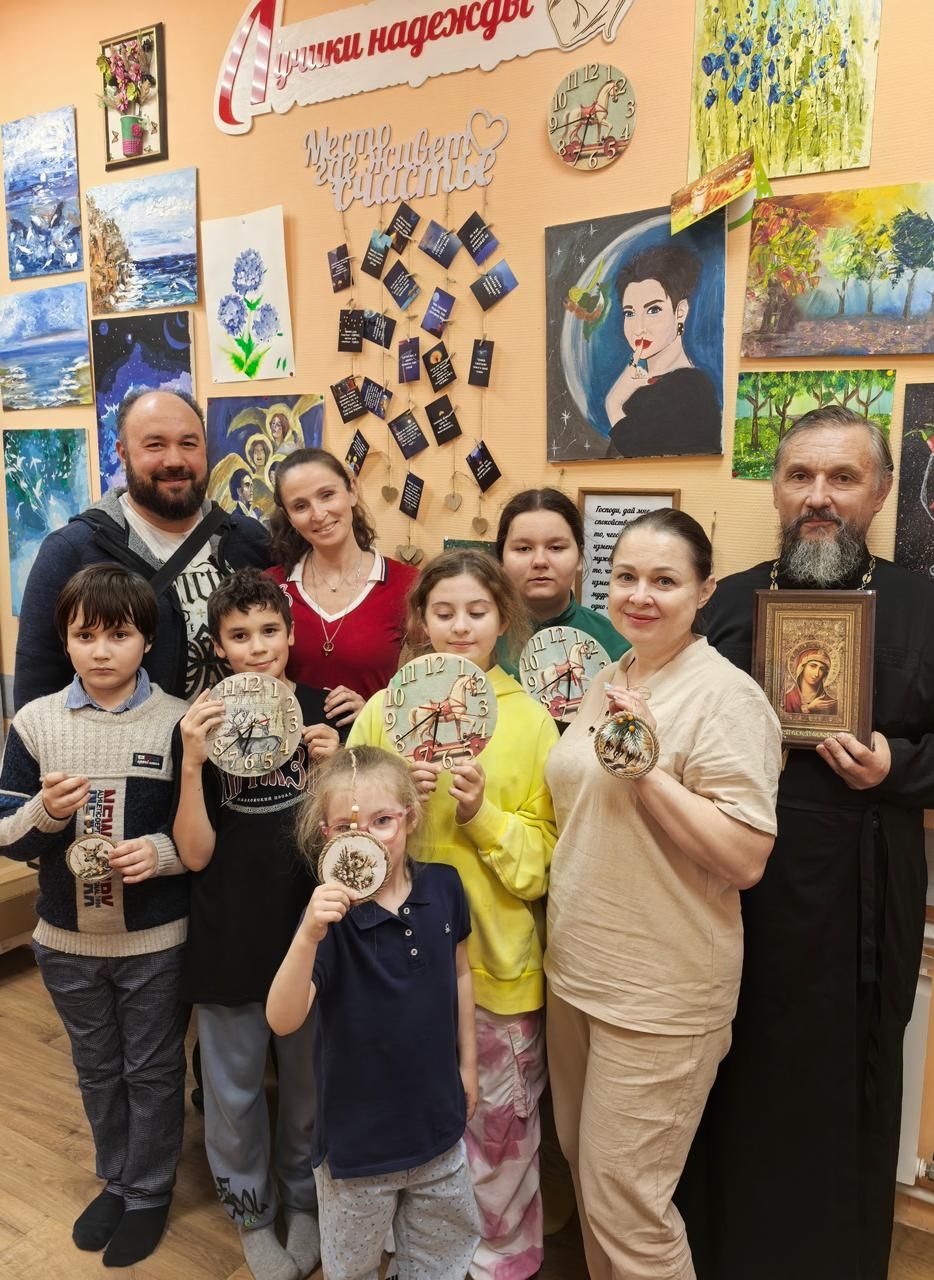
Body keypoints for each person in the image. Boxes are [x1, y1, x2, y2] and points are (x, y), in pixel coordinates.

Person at [677, 406, 934, 1280]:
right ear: (776, 488)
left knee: (843, 1097)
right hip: (731, 899)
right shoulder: (724, 605)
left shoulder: (930, 612)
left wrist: (899, 765)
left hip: (860, 902)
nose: (819, 497)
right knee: (729, 1085)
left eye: (842, 478)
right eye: (800, 476)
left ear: (880, 491)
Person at [544, 508, 782, 1280]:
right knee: (591, 1179)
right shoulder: (610, 678)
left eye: (664, 580)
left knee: (628, 1208)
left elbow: (747, 857)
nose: (640, 595)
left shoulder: (725, 697)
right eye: (626, 577)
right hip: (578, 973)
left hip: (661, 994)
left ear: (704, 591)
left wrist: (646, 769)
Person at [348, 550, 559, 1280]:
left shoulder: (531, 720)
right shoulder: (384, 711)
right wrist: (393, 805)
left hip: (497, 969)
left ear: (504, 618)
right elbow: (340, 837)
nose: (460, 626)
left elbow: (543, 865)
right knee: (407, 1130)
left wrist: (481, 814)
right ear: (421, 621)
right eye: (443, 612)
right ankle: (421, 1260)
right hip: (390, 970)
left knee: (499, 1134)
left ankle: (501, 1263)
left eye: (477, 611)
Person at [0, 564, 190, 1267]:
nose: (102, 651)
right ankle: (116, 1179)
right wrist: (46, 812)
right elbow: (7, 833)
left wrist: (160, 854)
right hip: (65, 940)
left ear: (148, 640)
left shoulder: (180, 722)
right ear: (64, 640)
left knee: (153, 1069)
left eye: (120, 634)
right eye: (85, 636)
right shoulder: (35, 722)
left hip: (155, 940)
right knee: (96, 1067)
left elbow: (205, 836)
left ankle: (149, 1190)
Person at [172, 569, 340, 1280]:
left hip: (309, 930)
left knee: (307, 1082)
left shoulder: (322, 711)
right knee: (234, 1087)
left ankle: (305, 1200)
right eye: (239, 635)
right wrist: (191, 764)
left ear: (292, 634)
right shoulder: (198, 723)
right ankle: (250, 1211)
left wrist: (335, 770)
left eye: (270, 630)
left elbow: (351, 844)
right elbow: (194, 853)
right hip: (228, 931)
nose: (258, 645)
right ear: (219, 646)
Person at [266, 745, 482, 1280]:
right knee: (354, 1267)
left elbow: (460, 974)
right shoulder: (328, 918)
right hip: (356, 1150)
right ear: (327, 836)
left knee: (441, 1260)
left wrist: (469, 1067)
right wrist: (308, 934)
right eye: (346, 827)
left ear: (410, 817)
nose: (366, 838)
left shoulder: (445, 886)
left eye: (382, 820)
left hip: (437, 1131)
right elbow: (283, 1019)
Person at [14, 388, 270, 711]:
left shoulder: (250, 540)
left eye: (188, 444)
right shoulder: (72, 551)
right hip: (128, 744)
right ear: (123, 454)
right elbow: (35, 697)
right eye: (155, 445)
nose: (175, 460)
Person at [265, 448, 419, 728]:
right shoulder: (269, 588)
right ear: (289, 517)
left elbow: (431, 688)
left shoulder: (408, 584)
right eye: (300, 506)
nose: (318, 514)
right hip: (288, 750)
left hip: (372, 748)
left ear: (352, 491)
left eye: (327, 495)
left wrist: (374, 712)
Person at [495, 488, 628, 679]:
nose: (540, 561)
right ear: (501, 560)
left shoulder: (618, 645)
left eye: (556, 547)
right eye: (524, 548)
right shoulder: (477, 639)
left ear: (580, 557)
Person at [603, 245, 721, 458]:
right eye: (629, 313)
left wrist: (613, 404)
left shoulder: (693, 390)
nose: (639, 328)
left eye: (653, 310)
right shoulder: (637, 391)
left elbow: (647, 461)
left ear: (680, 312)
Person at [782, 646, 838, 715]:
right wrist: (808, 708)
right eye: (813, 666)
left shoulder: (828, 701)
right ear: (802, 667)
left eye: (822, 669)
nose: (816, 674)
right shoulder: (788, 698)